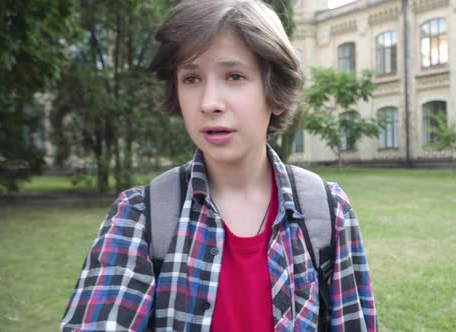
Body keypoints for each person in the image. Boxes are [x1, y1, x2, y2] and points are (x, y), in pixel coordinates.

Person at [61, 0, 377, 331]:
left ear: (276, 94)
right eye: (192, 78)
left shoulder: (329, 213)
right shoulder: (140, 216)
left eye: (235, 76)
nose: (209, 102)